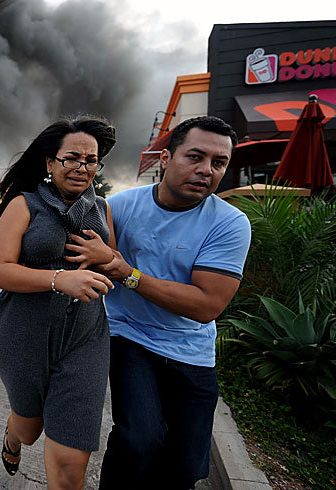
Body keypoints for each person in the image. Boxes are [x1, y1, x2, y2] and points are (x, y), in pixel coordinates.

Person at [90, 116, 252, 489]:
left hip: (191, 349)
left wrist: (129, 274)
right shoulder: (120, 207)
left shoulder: (229, 223)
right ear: (165, 158)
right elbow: (98, 266)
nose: (206, 170)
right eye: (194, 156)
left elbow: (206, 305)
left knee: (185, 468)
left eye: (218, 162)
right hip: (130, 336)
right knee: (139, 439)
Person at [0, 116, 117, 488]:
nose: (82, 167)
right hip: (23, 333)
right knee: (30, 430)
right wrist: (60, 279)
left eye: (91, 160)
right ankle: (13, 437)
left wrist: (105, 256)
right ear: (49, 162)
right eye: (71, 158)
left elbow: (111, 265)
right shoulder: (23, 205)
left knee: (70, 464)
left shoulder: (102, 210)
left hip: (84, 338)